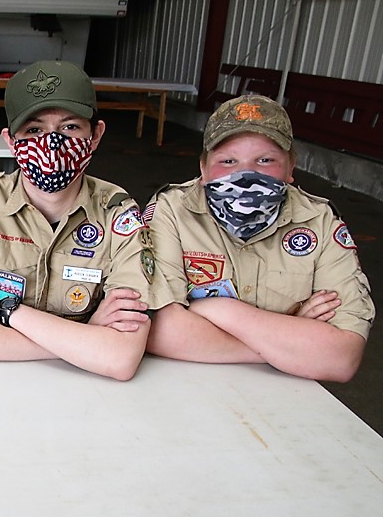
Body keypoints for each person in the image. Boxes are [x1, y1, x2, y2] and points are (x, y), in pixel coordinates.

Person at [0, 60, 166, 381]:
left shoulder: (118, 213)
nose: (51, 143)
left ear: (95, 134)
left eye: (70, 127)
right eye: (34, 130)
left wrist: (9, 314)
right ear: (10, 141)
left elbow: (120, 357)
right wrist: (84, 336)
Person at [144, 95, 375, 382]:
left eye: (265, 160)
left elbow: (341, 358)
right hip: (185, 384)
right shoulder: (172, 211)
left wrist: (219, 310)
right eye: (228, 161)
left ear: (291, 166)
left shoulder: (320, 222)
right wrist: (290, 337)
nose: (245, 175)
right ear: (203, 169)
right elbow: (156, 330)